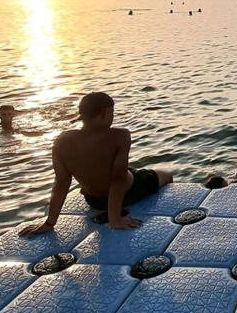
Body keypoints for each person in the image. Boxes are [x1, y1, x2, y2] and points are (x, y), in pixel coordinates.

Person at [19, 92, 173, 235]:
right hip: (130, 192)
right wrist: (115, 219)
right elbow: (118, 179)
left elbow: (61, 182)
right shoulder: (120, 135)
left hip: (94, 201)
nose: (112, 118)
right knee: (165, 174)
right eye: (112, 113)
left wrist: (49, 223)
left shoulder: (62, 140)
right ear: (104, 114)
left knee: (126, 171)